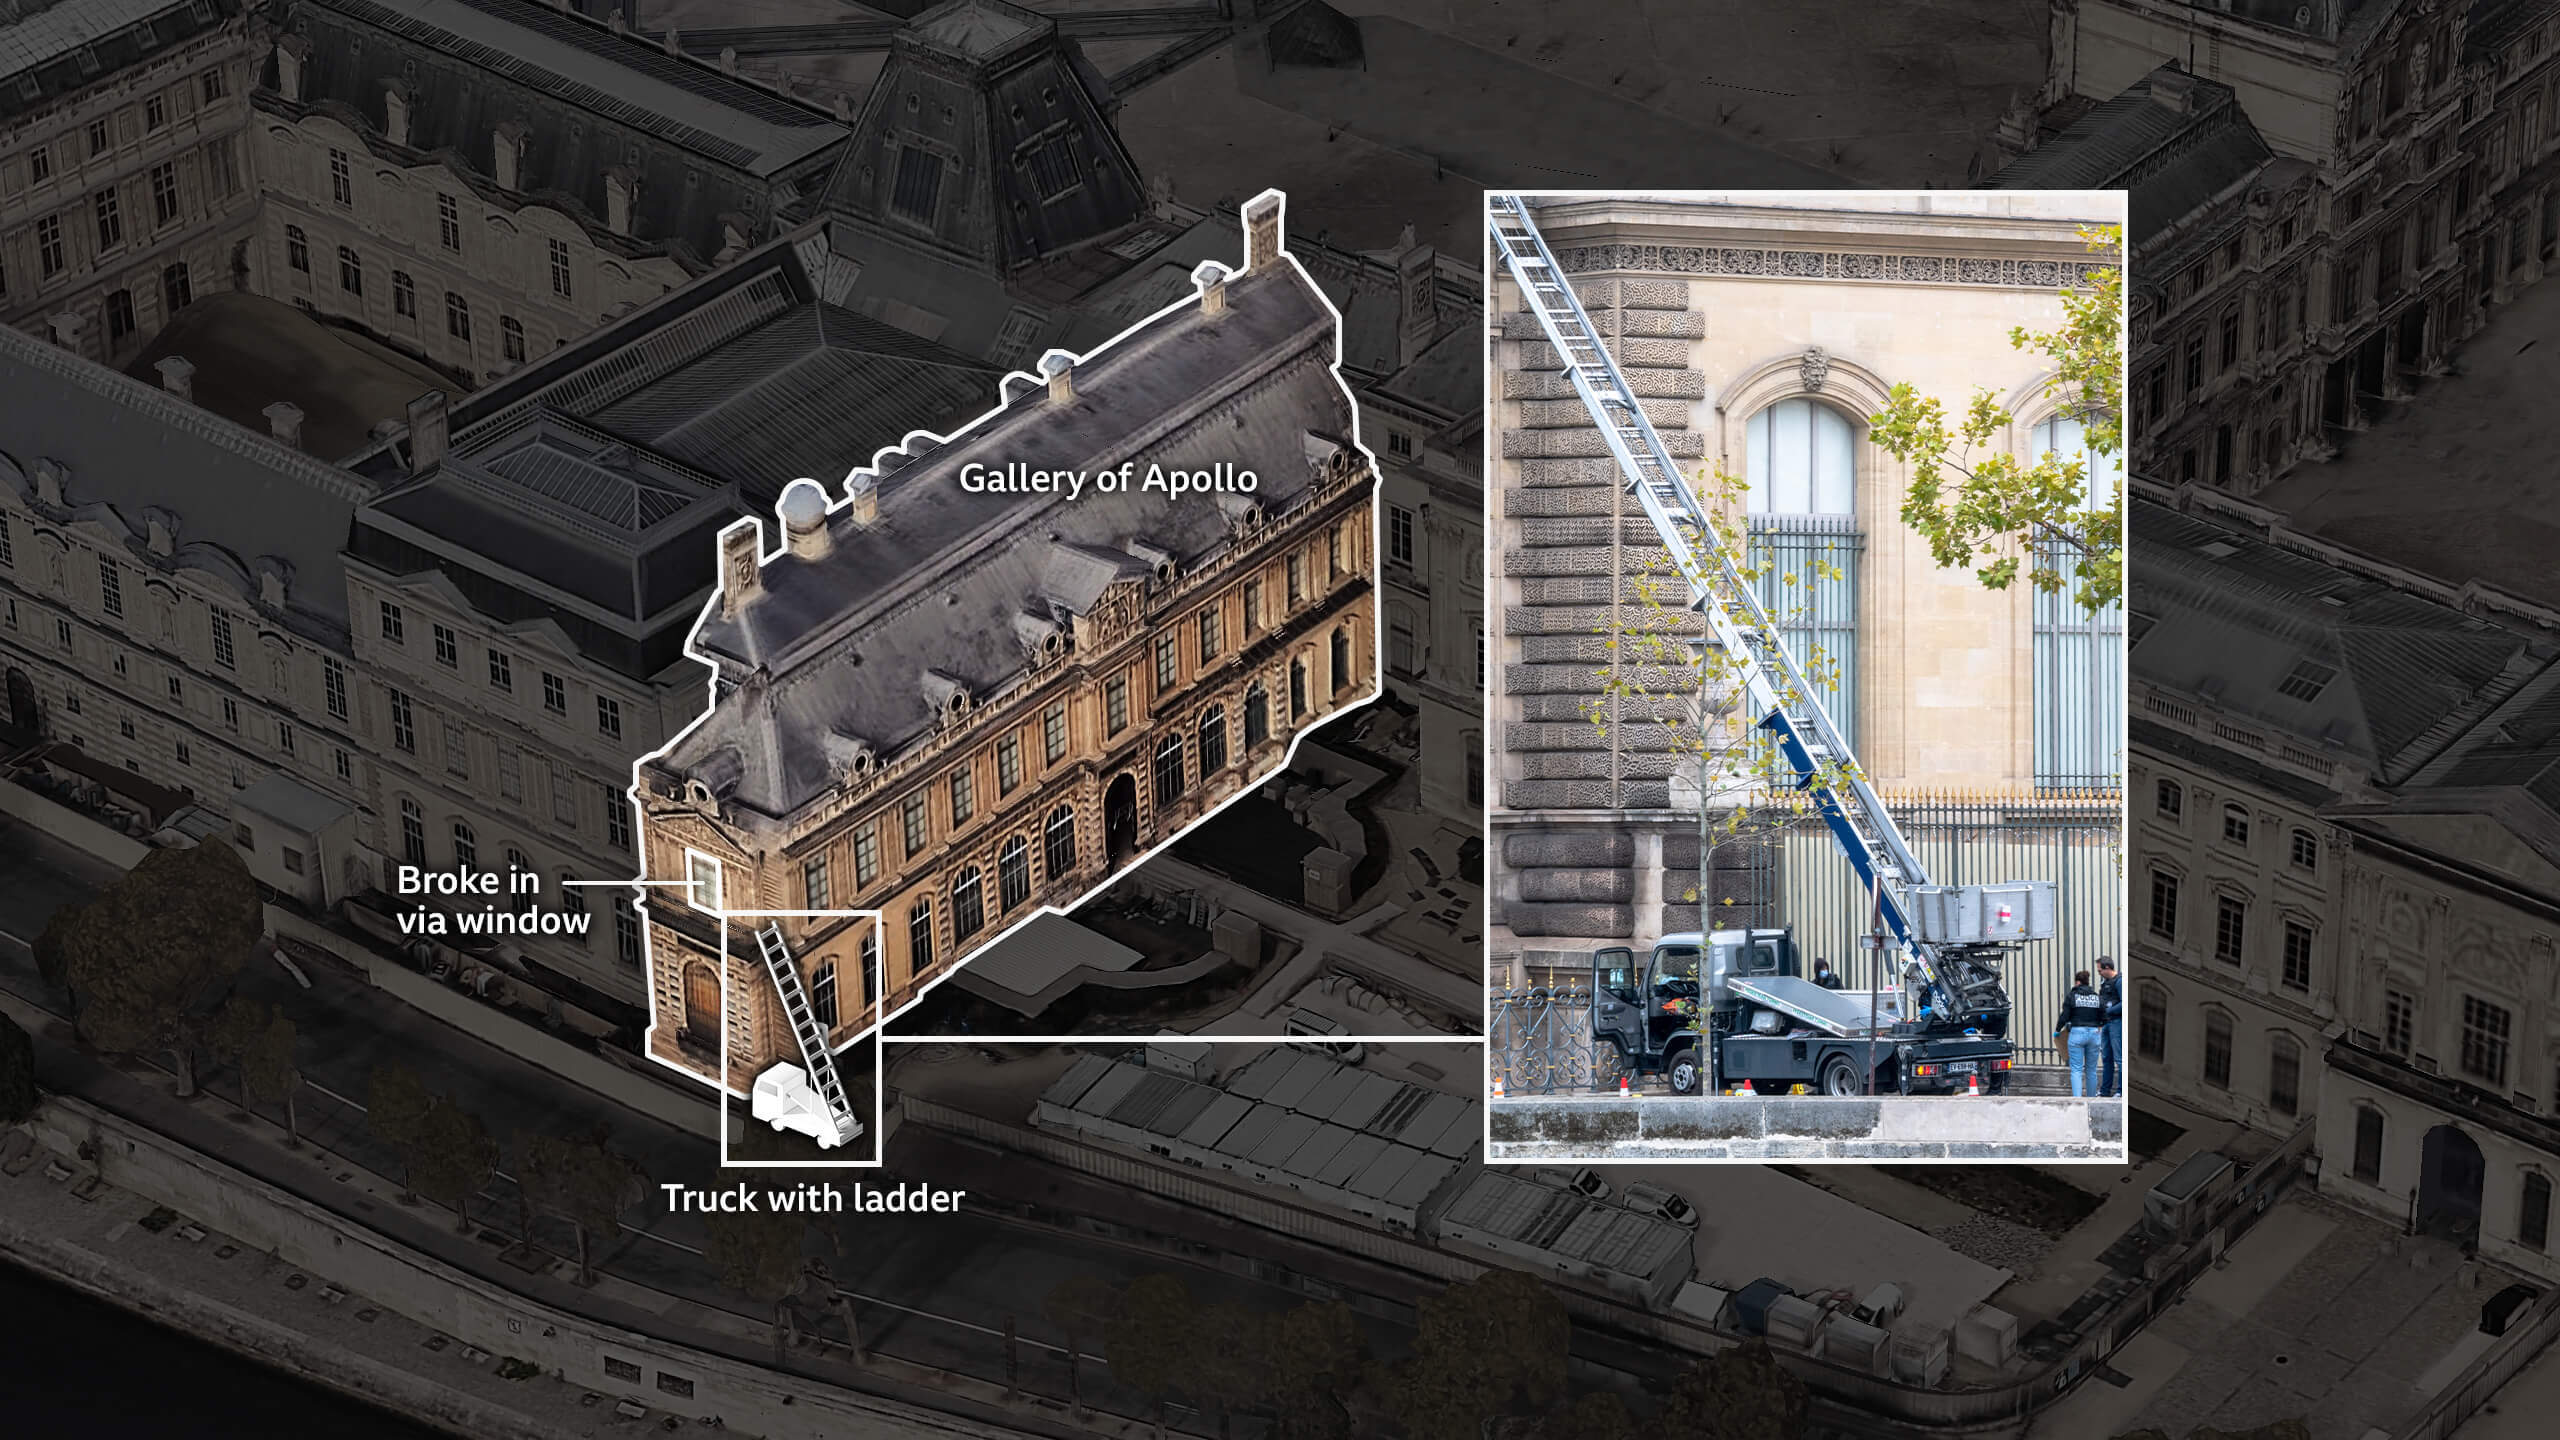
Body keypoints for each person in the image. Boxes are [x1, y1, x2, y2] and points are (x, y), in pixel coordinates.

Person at [2055, 970, 2107, 1097]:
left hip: (2077, 1032)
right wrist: (2099, 1025)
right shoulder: (2097, 997)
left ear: (2077, 982)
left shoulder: (2072, 996)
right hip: (2094, 1033)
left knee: (2077, 1070)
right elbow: (2105, 1016)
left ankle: (2077, 1099)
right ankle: (2091, 1098)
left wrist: (2057, 1030)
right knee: (2091, 1070)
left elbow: (2065, 1016)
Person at [2096, 958, 2123, 1097]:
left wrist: (2109, 1011)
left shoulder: (2119, 981)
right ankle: (2105, 1091)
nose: (2099, 972)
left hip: (2116, 1022)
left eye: (2100, 970)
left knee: (2119, 1058)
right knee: (2107, 1058)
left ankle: (2121, 1091)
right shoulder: (2105, 983)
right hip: (2106, 1023)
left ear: (2107, 968)